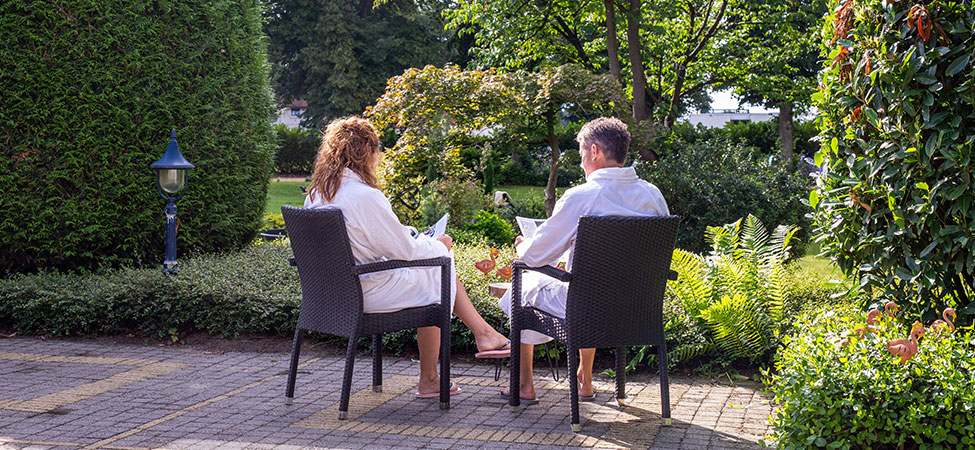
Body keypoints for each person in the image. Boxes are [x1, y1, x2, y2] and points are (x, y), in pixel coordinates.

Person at [303, 116, 510, 398]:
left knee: (435, 272)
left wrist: (415, 239)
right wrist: (439, 245)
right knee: (439, 270)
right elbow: (406, 252)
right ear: (367, 150)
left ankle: (480, 337)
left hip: (329, 295)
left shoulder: (317, 194)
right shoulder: (364, 196)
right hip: (365, 294)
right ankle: (439, 372)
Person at [498, 117, 669, 404]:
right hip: (639, 308)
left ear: (594, 151)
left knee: (523, 286)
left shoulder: (581, 197)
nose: (581, 163)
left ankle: (524, 385)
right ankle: (584, 379)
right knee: (588, 285)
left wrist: (525, 244)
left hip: (585, 307)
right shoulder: (653, 195)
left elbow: (535, 256)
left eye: (581, 154)